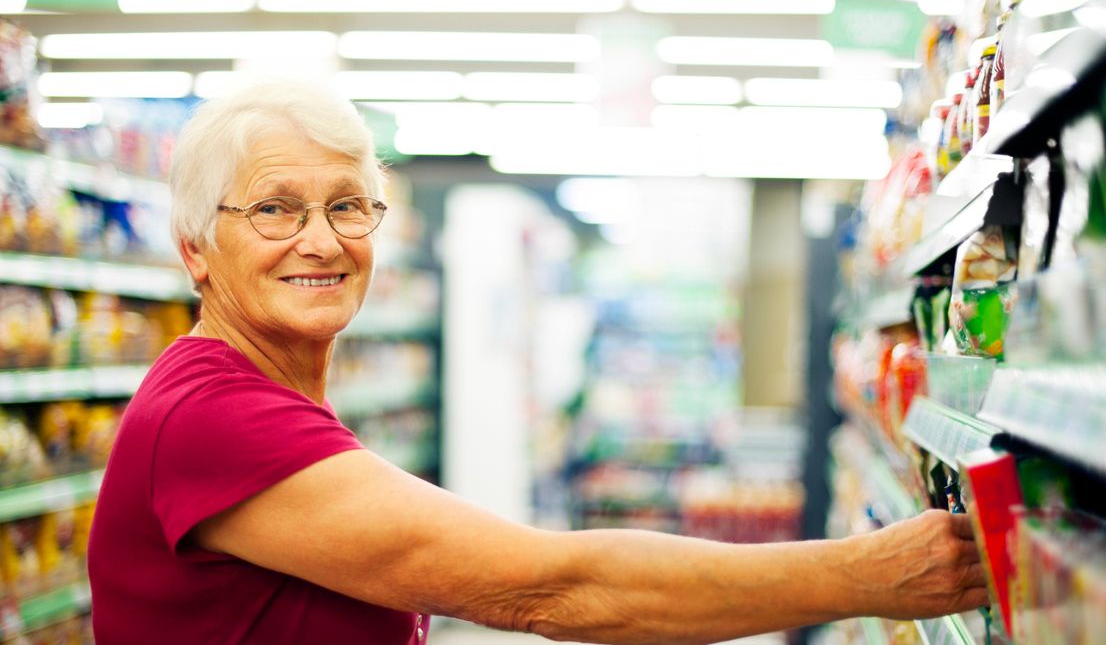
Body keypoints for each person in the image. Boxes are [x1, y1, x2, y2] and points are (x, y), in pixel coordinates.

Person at [88, 80, 986, 644]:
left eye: (349, 205)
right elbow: (553, 588)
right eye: (276, 210)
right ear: (196, 246)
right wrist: (866, 575)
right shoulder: (212, 418)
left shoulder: (256, 396)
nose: (321, 240)